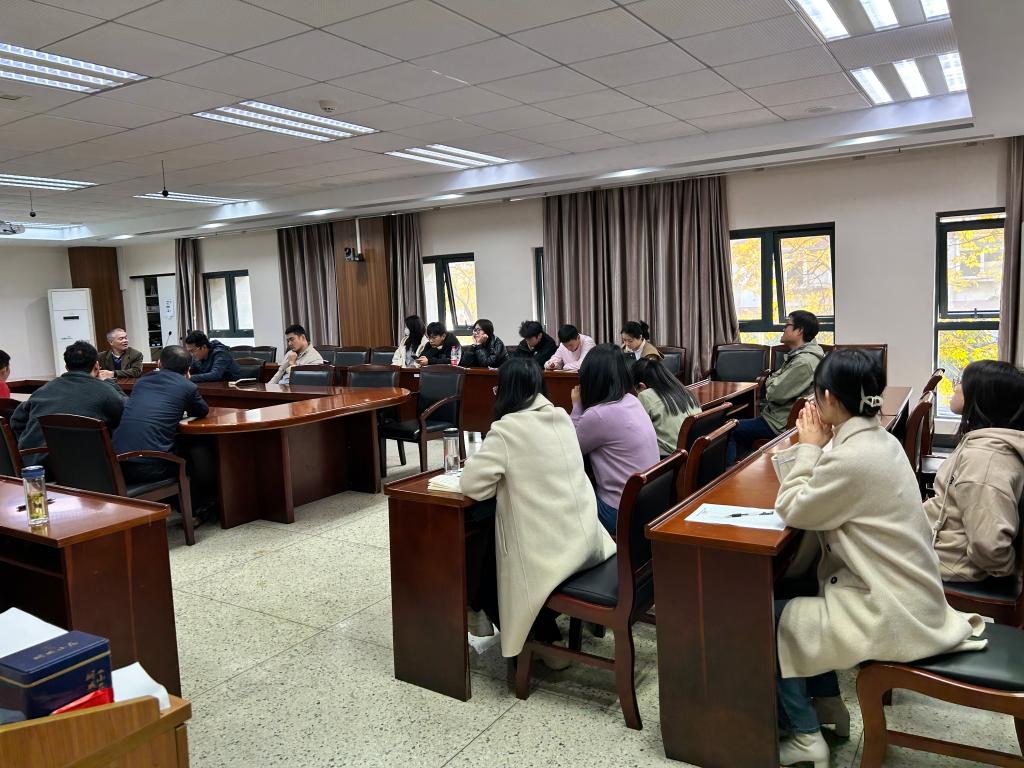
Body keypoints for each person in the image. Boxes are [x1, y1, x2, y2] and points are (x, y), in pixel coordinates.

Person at [771, 349, 985, 767]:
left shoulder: (854, 456)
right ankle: (828, 705)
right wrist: (820, 448)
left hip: (890, 609)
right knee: (800, 594)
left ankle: (805, 736)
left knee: (770, 617)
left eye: (815, 395)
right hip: (907, 595)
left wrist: (809, 448)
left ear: (830, 398)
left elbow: (793, 508)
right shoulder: (881, 440)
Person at [461, 357, 615, 661]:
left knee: (484, 556)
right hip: (587, 540)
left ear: (506, 392)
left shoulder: (507, 430)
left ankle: (541, 640)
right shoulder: (561, 417)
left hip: (551, 556)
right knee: (487, 539)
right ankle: (526, 628)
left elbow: (472, 486)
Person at [925, 360, 1024, 582]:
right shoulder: (985, 443)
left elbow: (990, 547)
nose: (955, 387)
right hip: (941, 544)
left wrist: (1010, 575)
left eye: (961, 382)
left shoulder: (984, 460)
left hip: (948, 564)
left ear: (983, 397)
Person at [571, 344, 660, 534]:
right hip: (649, 503)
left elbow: (570, 449)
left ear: (590, 379)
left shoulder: (598, 415)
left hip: (619, 511)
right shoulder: (632, 400)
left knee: (565, 499)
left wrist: (577, 406)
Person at [728, 310, 825, 464]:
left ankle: (731, 474)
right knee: (735, 424)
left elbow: (773, 394)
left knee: (728, 430)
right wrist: (773, 380)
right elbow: (774, 380)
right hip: (778, 416)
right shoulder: (800, 356)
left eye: (787, 325)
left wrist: (771, 381)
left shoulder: (803, 362)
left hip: (779, 423)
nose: (783, 328)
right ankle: (744, 464)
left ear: (799, 331)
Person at [10, 341, 127, 462]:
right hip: (80, 466)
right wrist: (110, 384)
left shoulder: (43, 390)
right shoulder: (104, 390)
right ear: (97, 366)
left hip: (33, 463)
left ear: (66, 367)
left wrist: (27, 446)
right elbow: (128, 413)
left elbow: (16, 420)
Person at [112, 345, 209, 485]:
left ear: (159, 364)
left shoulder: (141, 382)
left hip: (117, 464)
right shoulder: (187, 386)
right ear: (188, 369)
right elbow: (202, 410)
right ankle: (195, 498)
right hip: (151, 467)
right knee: (194, 458)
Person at [632, 358, 701, 457]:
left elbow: (636, 433)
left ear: (642, 386)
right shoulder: (684, 391)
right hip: (693, 455)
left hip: (669, 460)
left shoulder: (645, 395)